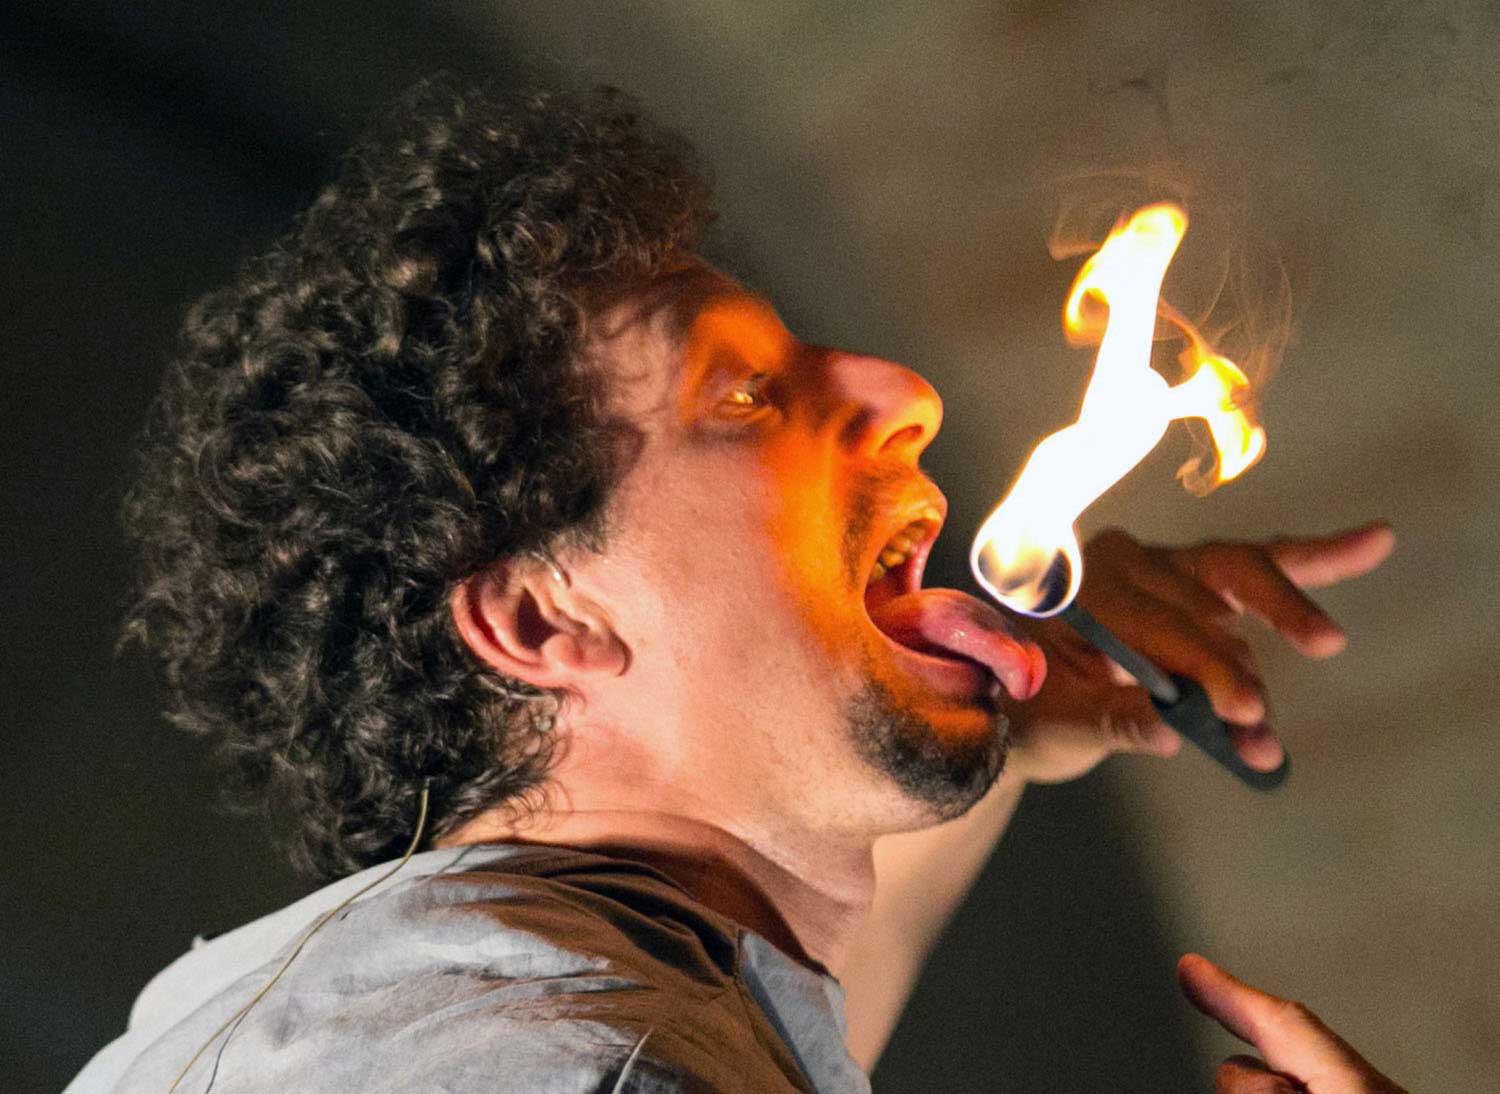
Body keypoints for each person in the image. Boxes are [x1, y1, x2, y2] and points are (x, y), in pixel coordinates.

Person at [69, 79, 1403, 1092]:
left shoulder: (432, 1004)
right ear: (542, 616)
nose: (907, 394)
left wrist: (1013, 725)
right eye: (747, 395)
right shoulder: (563, 1066)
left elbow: (779, 1024)